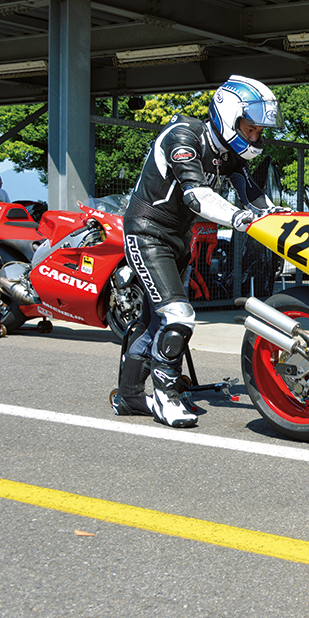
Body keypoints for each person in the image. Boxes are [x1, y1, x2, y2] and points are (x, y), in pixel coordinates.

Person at [112, 75, 282, 428]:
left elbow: (258, 200)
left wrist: (287, 221)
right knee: (178, 314)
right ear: (227, 114)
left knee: (153, 319)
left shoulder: (229, 154)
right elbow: (196, 195)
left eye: (257, 132)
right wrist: (240, 218)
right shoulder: (184, 136)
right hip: (147, 232)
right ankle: (166, 396)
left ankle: (129, 396)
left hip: (179, 238)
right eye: (249, 129)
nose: (254, 138)